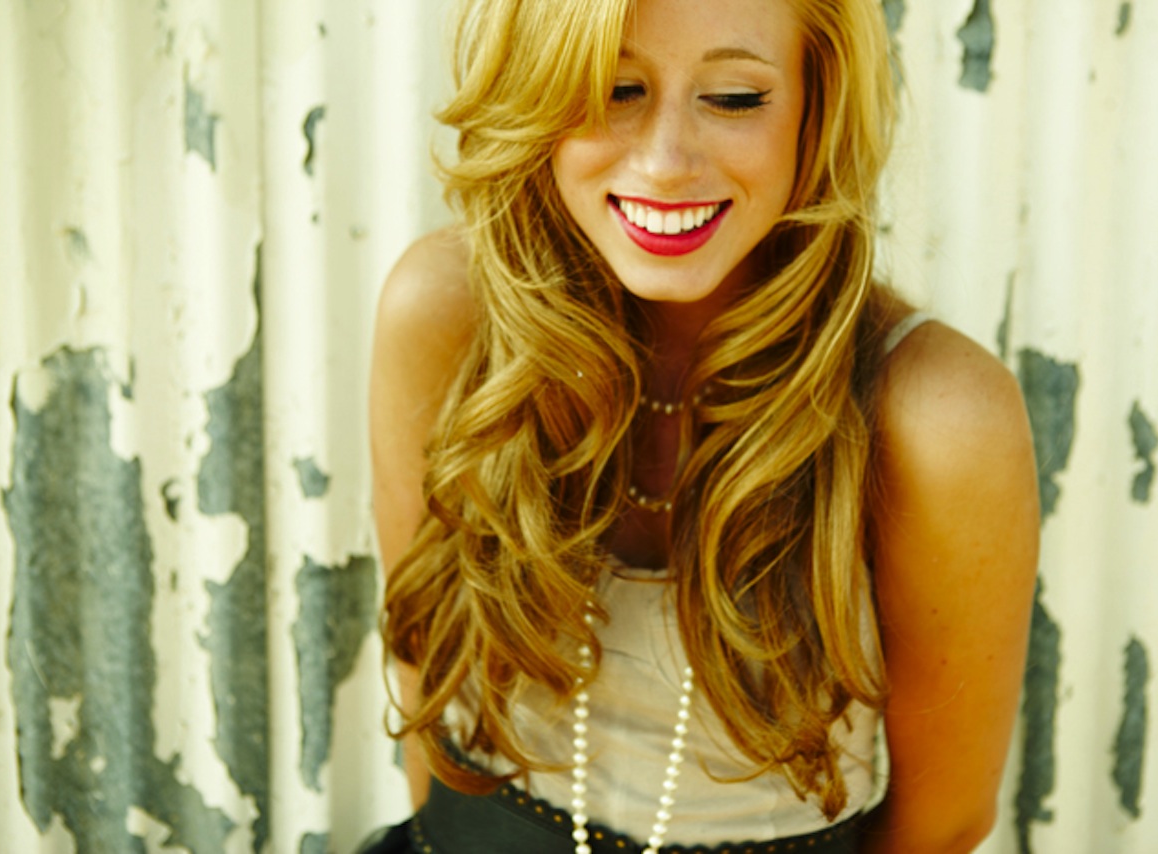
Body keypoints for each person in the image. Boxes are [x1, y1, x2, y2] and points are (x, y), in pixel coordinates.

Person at [364, 0, 1040, 851]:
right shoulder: (445, 315)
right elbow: (421, 685)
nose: (665, 162)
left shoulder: (936, 419)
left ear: (817, 108)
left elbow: (941, 825)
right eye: (615, 90)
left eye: (733, 98)